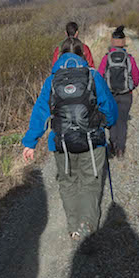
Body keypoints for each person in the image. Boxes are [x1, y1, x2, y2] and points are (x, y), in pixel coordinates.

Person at [22, 36, 118, 240]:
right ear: (83, 55)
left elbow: (40, 111)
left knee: (68, 183)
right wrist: (108, 123)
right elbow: (109, 108)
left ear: (59, 55)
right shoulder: (93, 76)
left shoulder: (52, 80)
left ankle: (73, 227)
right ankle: (88, 226)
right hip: (92, 141)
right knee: (91, 183)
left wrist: (30, 143)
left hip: (61, 143)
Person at [97, 25, 139, 158]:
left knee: (111, 121)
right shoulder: (129, 58)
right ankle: (121, 150)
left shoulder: (106, 58)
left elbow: (99, 76)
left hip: (110, 95)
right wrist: (131, 87)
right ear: (123, 42)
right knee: (122, 122)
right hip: (126, 95)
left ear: (112, 42)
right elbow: (136, 77)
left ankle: (113, 145)